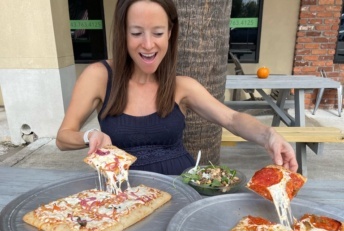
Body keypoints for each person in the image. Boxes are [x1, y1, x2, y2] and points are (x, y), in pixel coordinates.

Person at [56, 0, 298, 174]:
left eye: (158, 32)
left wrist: (269, 135)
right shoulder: (99, 76)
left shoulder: (181, 86)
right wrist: (90, 136)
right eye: (137, 32)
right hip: (123, 196)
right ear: (123, 33)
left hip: (181, 192)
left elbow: (232, 119)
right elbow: (63, 137)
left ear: (170, 33)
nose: (148, 44)